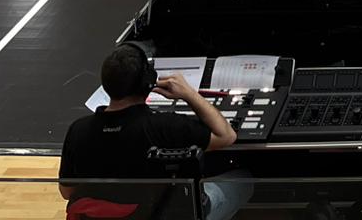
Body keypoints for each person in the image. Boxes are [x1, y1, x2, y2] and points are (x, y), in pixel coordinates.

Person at [59, 45, 251, 220]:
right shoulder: (166, 127)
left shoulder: (78, 130)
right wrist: (189, 93)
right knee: (244, 180)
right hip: (160, 213)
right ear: (148, 83)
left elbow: (66, 192)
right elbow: (226, 136)